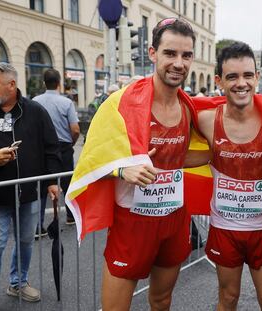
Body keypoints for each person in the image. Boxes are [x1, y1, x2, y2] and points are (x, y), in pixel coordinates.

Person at [66, 18, 196, 310]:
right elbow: (90, 162)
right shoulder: (119, 103)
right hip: (133, 222)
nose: (179, 63)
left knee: (162, 301)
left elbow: (188, 154)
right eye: (170, 53)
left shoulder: (189, 108)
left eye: (186, 55)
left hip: (175, 218)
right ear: (152, 53)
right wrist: (122, 170)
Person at [187, 42, 262, 311]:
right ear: (219, 81)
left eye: (247, 75)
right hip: (224, 230)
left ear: (256, 78)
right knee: (228, 299)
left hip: (261, 231)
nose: (240, 83)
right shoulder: (206, 119)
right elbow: (168, 123)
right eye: (232, 76)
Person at [0, 62, 61, 302]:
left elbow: (52, 147)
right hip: (0, 196)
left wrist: (53, 181)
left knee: (25, 240)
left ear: (11, 85)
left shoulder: (35, 111)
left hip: (29, 193)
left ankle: (18, 282)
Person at [33, 69, 80, 229]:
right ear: (59, 83)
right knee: (67, 182)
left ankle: (38, 225)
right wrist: (71, 143)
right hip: (63, 147)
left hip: (42, 148)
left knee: (41, 185)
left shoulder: (35, 101)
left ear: (44, 83)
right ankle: (70, 215)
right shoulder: (66, 103)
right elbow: (75, 130)